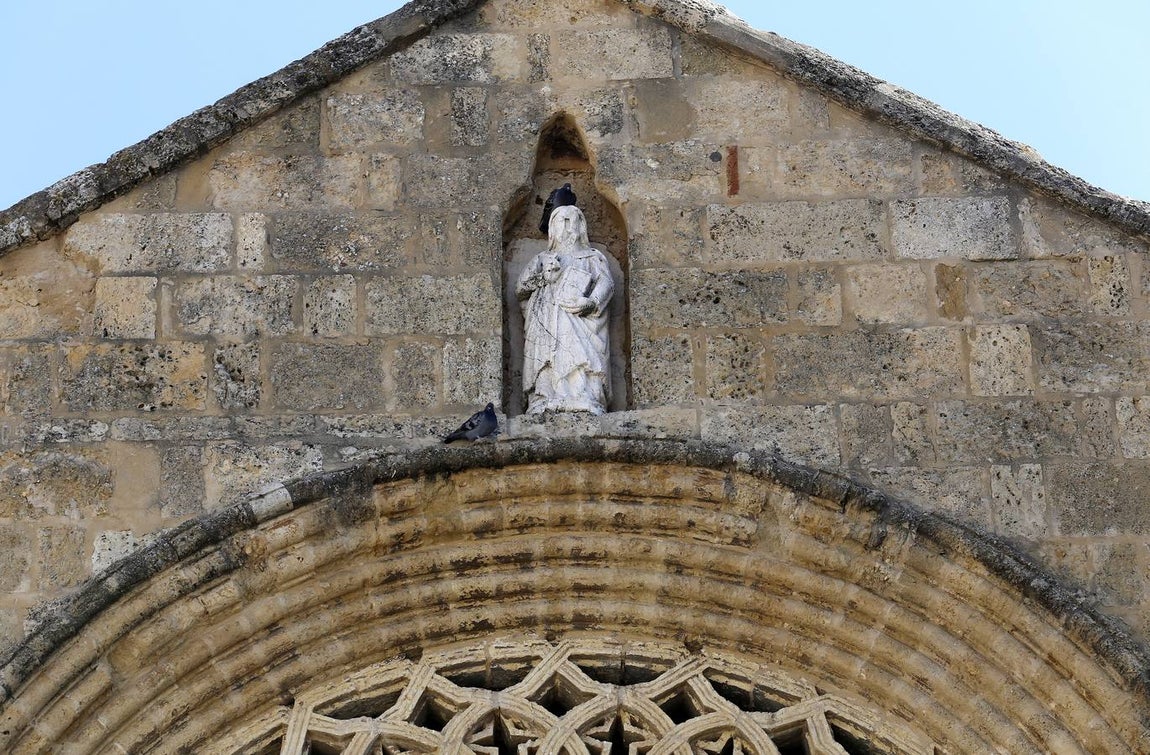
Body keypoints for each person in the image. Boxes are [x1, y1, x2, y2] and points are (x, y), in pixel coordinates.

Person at [516, 204, 614, 415]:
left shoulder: (592, 257)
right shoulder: (542, 260)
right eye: (562, 220)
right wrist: (544, 277)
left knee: (582, 357)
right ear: (552, 227)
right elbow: (521, 289)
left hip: (581, 320)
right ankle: (544, 396)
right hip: (546, 320)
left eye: (572, 220)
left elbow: (606, 284)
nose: (567, 226)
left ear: (581, 226)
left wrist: (591, 302)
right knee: (546, 357)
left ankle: (585, 395)